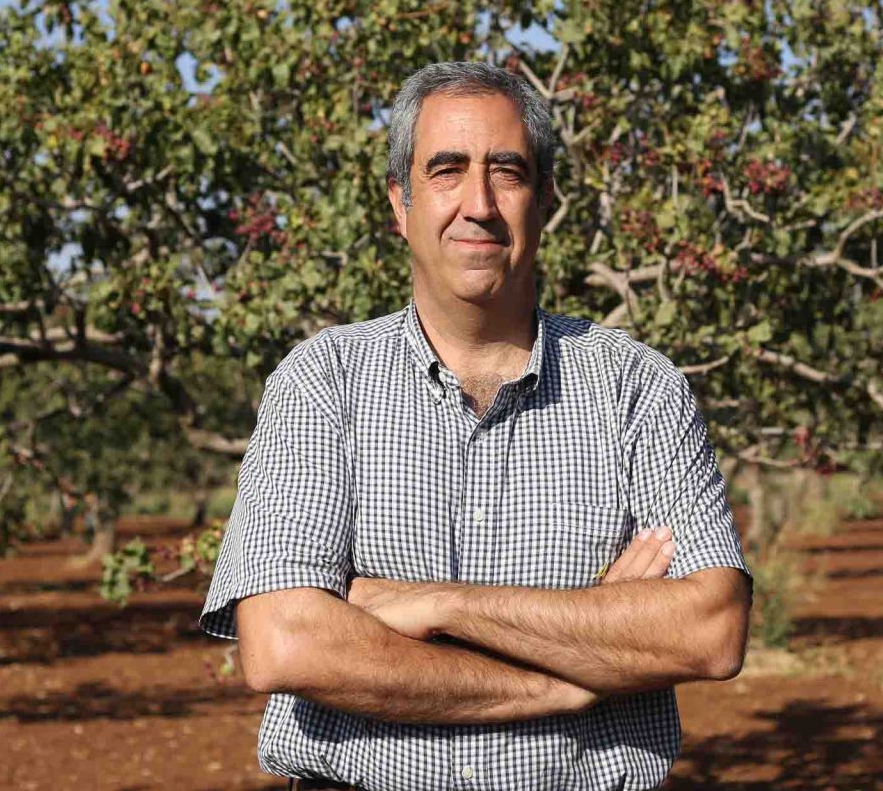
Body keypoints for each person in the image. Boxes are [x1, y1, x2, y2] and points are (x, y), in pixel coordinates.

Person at [202, 61, 752, 791]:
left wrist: (437, 604)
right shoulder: (322, 383)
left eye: (508, 171)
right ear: (400, 203)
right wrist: (575, 673)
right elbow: (284, 643)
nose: (479, 204)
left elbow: (708, 630)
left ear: (545, 199)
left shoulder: (637, 388)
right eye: (447, 170)